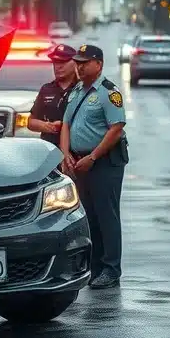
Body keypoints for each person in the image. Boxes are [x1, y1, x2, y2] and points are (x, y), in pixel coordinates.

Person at [60, 44, 129, 289]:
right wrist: (65, 153)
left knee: (107, 215)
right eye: (77, 62)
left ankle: (111, 269)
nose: (78, 67)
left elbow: (117, 128)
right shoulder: (77, 90)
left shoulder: (109, 92)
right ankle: (96, 267)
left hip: (104, 163)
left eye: (84, 63)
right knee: (89, 216)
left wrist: (93, 157)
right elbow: (66, 124)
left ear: (98, 64)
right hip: (80, 162)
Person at [28, 44, 78, 146]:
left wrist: (63, 126)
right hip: (50, 148)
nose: (58, 66)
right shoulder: (47, 89)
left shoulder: (83, 89)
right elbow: (31, 122)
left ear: (75, 63)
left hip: (76, 150)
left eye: (63, 62)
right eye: (55, 62)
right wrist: (46, 126)